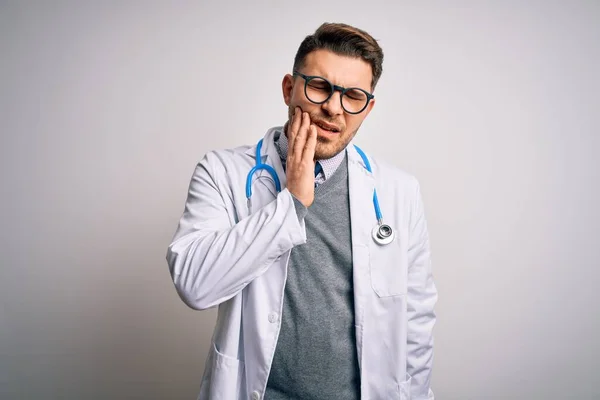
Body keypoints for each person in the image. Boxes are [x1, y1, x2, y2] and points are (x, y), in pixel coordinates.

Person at [167, 22, 437, 400]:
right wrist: (291, 202)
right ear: (288, 89)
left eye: (353, 96)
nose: (333, 108)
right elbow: (195, 284)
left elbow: (416, 324)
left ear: (368, 108)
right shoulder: (223, 172)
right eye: (320, 87)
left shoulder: (399, 191)